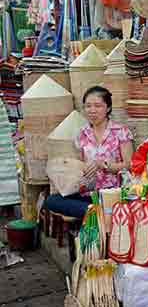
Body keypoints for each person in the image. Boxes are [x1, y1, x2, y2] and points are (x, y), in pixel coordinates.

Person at [45, 86, 133, 218]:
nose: (92, 110)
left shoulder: (121, 132)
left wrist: (103, 165)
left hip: (114, 192)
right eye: (88, 106)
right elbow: (81, 167)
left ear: (108, 108)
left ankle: (99, 213)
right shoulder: (82, 133)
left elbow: (129, 165)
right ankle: (97, 212)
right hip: (89, 193)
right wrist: (69, 170)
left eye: (98, 106)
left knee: (101, 204)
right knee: (52, 200)